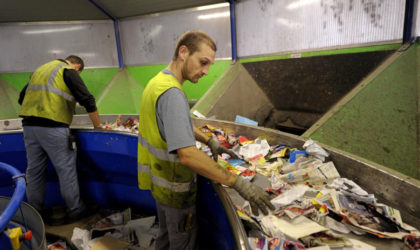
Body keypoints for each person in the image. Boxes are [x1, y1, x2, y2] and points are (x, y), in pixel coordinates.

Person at [138, 30, 275, 250]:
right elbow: (187, 154)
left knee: (164, 237)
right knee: (181, 243)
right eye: (203, 62)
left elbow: (177, 124)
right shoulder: (172, 93)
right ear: (183, 52)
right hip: (176, 191)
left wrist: (210, 141)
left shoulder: (158, 82)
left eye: (209, 65)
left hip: (160, 184)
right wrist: (238, 183)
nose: (206, 71)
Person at [18, 55, 101, 224]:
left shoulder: (40, 70)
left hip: (29, 126)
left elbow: (21, 98)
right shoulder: (68, 71)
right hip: (53, 127)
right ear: (77, 67)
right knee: (66, 169)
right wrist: (98, 126)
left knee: (34, 171)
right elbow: (88, 100)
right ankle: (76, 209)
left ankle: (36, 211)